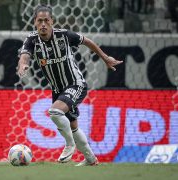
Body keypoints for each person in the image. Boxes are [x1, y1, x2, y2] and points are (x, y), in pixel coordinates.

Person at [17, 4, 123, 166]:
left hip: (75, 84)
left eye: (46, 20)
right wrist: (23, 64)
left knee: (54, 112)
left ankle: (69, 145)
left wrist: (105, 57)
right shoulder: (32, 40)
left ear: (52, 21)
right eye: (40, 21)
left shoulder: (64, 35)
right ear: (35, 22)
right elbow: (25, 55)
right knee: (73, 126)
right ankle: (91, 160)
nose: (43, 24)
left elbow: (86, 41)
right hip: (58, 89)